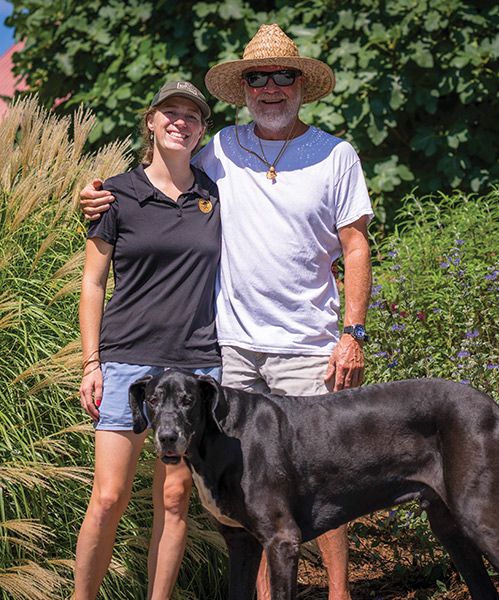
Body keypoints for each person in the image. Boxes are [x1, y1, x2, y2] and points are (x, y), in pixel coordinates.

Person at [80, 24, 372, 600]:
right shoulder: (221, 148)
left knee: (322, 472)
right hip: (230, 347)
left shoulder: (336, 155)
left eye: (282, 77)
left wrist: (352, 333)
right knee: (245, 484)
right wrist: (91, 195)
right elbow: (159, 175)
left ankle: (339, 593)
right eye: (257, 78)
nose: (270, 88)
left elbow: (356, 246)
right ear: (243, 89)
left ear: (300, 86)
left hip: (307, 342)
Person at [75, 81, 221, 600]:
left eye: (192, 116)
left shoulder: (215, 194)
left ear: (202, 131)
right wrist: (91, 362)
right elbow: (92, 283)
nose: (181, 122)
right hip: (125, 363)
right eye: (171, 113)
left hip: (197, 364)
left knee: (176, 496)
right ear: (151, 122)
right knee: (109, 496)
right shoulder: (116, 195)